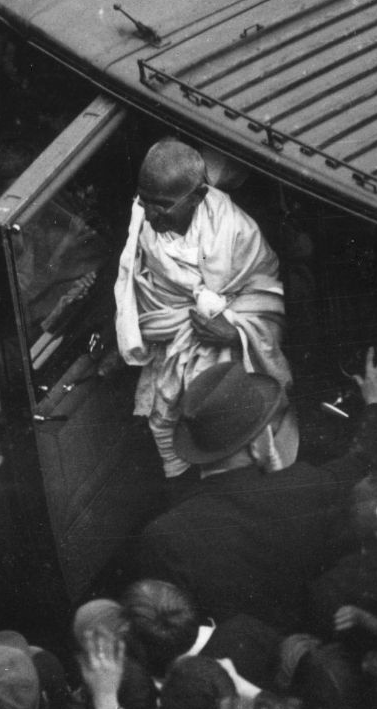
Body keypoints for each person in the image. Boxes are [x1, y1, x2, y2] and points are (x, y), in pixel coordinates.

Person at [137, 352, 377, 633]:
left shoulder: (163, 536)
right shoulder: (304, 488)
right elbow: (364, 463)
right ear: (256, 444)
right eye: (270, 427)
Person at [114, 140, 293, 478]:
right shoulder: (145, 227)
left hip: (228, 365)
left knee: (237, 432)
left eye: (162, 206)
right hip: (171, 354)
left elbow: (268, 297)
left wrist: (236, 331)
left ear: (197, 197)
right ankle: (179, 483)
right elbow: (146, 298)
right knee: (166, 422)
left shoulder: (238, 231)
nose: (149, 215)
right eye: (144, 200)